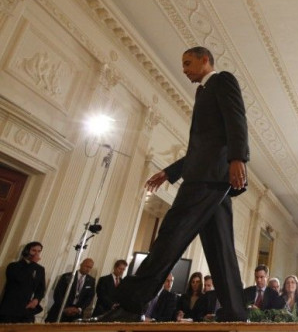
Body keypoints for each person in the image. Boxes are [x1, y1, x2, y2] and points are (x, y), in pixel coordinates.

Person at [101, 46, 249, 322]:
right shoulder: (203, 92)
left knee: (169, 236)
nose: (184, 69)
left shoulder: (222, 80)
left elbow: (236, 119)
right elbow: (204, 146)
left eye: (188, 62)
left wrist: (238, 158)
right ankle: (235, 312)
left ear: (205, 60)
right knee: (221, 250)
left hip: (207, 180)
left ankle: (131, 305)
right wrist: (170, 172)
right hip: (210, 179)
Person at [0, 241, 46, 323]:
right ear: (26, 251)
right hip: (10, 308)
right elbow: (20, 279)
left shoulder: (40, 269)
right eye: (34, 250)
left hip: (26, 308)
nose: (36, 253)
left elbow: (41, 288)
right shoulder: (13, 266)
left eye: (39, 251)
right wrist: (32, 264)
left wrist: (36, 299)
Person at [46, 258, 96, 322]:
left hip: (76, 314)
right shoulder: (67, 276)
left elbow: (89, 297)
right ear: (81, 264)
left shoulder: (91, 281)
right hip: (60, 311)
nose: (88, 269)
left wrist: (79, 309)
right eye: (86, 266)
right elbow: (58, 293)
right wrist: (65, 308)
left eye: (90, 267)